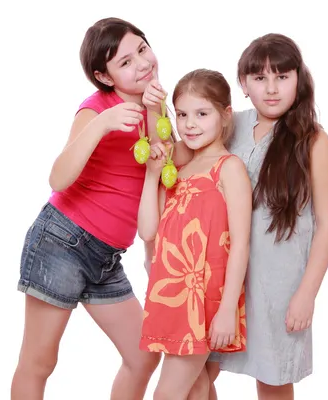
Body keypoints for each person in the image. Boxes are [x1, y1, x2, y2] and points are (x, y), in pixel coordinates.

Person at [11, 17, 166, 400]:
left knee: (143, 355)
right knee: (40, 361)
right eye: (125, 62)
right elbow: (58, 177)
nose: (142, 64)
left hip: (106, 257)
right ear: (105, 76)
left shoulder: (158, 108)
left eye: (142, 50)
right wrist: (102, 124)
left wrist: (151, 254)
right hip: (62, 242)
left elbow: (156, 183)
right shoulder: (97, 108)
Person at [203, 33, 328, 400]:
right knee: (200, 372)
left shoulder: (313, 142)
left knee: (274, 378)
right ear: (244, 84)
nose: (272, 88)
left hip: (278, 283)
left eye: (282, 76)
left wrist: (307, 293)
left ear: (299, 78)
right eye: (260, 78)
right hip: (223, 275)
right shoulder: (230, 125)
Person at [137, 69, 252, 400]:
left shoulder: (228, 168)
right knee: (197, 388)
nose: (190, 124)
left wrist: (228, 308)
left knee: (168, 394)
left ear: (225, 115)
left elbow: (242, 244)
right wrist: (152, 177)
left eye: (202, 114)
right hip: (171, 296)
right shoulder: (179, 170)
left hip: (205, 302)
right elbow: (147, 229)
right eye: (183, 115)